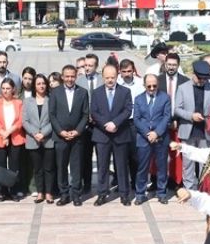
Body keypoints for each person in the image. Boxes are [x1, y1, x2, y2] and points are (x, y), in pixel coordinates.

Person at [90, 64, 134, 206]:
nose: (110, 80)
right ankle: (102, 194)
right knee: (102, 167)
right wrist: (106, 125)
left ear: (117, 77)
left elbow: (128, 110)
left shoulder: (125, 92)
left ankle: (124, 194)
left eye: (113, 77)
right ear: (103, 77)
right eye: (107, 77)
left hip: (120, 133)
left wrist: (115, 123)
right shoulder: (96, 93)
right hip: (102, 134)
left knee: (121, 166)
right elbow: (94, 112)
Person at [174, 60, 210, 190]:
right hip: (188, 129)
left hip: (206, 131)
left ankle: (202, 187)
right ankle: (189, 188)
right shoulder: (183, 88)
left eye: (204, 79)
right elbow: (177, 109)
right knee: (188, 162)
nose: (201, 82)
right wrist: (191, 116)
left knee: (204, 161)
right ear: (193, 74)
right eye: (199, 79)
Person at [50, 64, 89, 206]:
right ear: (62, 76)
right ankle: (64, 194)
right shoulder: (55, 92)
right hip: (60, 136)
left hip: (77, 136)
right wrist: (61, 131)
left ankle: (76, 195)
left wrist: (77, 131)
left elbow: (85, 114)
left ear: (76, 76)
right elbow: (52, 114)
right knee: (61, 167)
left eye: (72, 76)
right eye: (67, 76)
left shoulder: (83, 92)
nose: (70, 79)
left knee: (76, 167)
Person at [132, 74, 173, 205]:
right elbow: (137, 119)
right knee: (142, 168)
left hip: (160, 138)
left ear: (158, 85)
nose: (151, 88)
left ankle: (161, 193)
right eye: (149, 86)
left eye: (154, 85)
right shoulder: (138, 99)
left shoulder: (165, 97)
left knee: (161, 167)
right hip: (144, 139)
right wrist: (147, 133)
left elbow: (167, 117)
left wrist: (156, 133)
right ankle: (140, 194)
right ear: (144, 85)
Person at [22, 73, 56, 203]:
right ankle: (40, 192)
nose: (41, 86)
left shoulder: (51, 99)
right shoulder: (28, 101)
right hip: (33, 139)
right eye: (38, 84)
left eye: (43, 83)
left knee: (48, 168)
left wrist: (44, 133)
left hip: (48, 139)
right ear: (34, 86)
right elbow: (25, 121)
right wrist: (35, 133)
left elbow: (54, 119)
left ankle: (49, 192)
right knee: (37, 168)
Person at [0, 77, 25, 202]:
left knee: (14, 166)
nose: (5, 91)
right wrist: (3, 133)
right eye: (3, 88)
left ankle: (14, 191)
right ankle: (3, 192)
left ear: (13, 89)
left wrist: (8, 133)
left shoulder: (19, 103)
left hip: (15, 136)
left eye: (8, 88)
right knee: (0, 166)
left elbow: (20, 120)